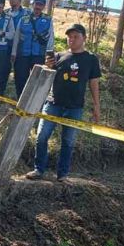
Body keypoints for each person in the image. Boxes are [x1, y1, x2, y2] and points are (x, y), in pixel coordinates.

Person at [26, 24, 101, 182]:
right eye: (69, 37)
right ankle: (39, 169)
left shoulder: (91, 59)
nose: (71, 40)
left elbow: (94, 83)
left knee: (68, 142)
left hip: (75, 107)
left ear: (84, 38)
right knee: (41, 136)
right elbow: (44, 76)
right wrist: (48, 66)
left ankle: (62, 175)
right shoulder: (59, 56)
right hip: (53, 104)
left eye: (76, 37)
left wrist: (96, 106)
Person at [11, 0, 54, 97]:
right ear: (33, 4)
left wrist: (48, 55)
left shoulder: (48, 20)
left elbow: (51, 38)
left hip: (39, 54)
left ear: (43, 6)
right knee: (20, 78)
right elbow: (17, 36)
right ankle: (20, 99)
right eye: (36, 4)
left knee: (37, 79)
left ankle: (33, 101)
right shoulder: (23, 19)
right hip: (23, 54)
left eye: (40, 5)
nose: (38, 7)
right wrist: (14, 52)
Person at [5, 0, 29, 97]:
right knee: (3, 70)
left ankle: (20, 95)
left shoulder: (26, 13)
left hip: (21, 47)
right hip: (5, 45)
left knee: (20, 73)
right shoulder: (5, 12)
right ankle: (0, 92)